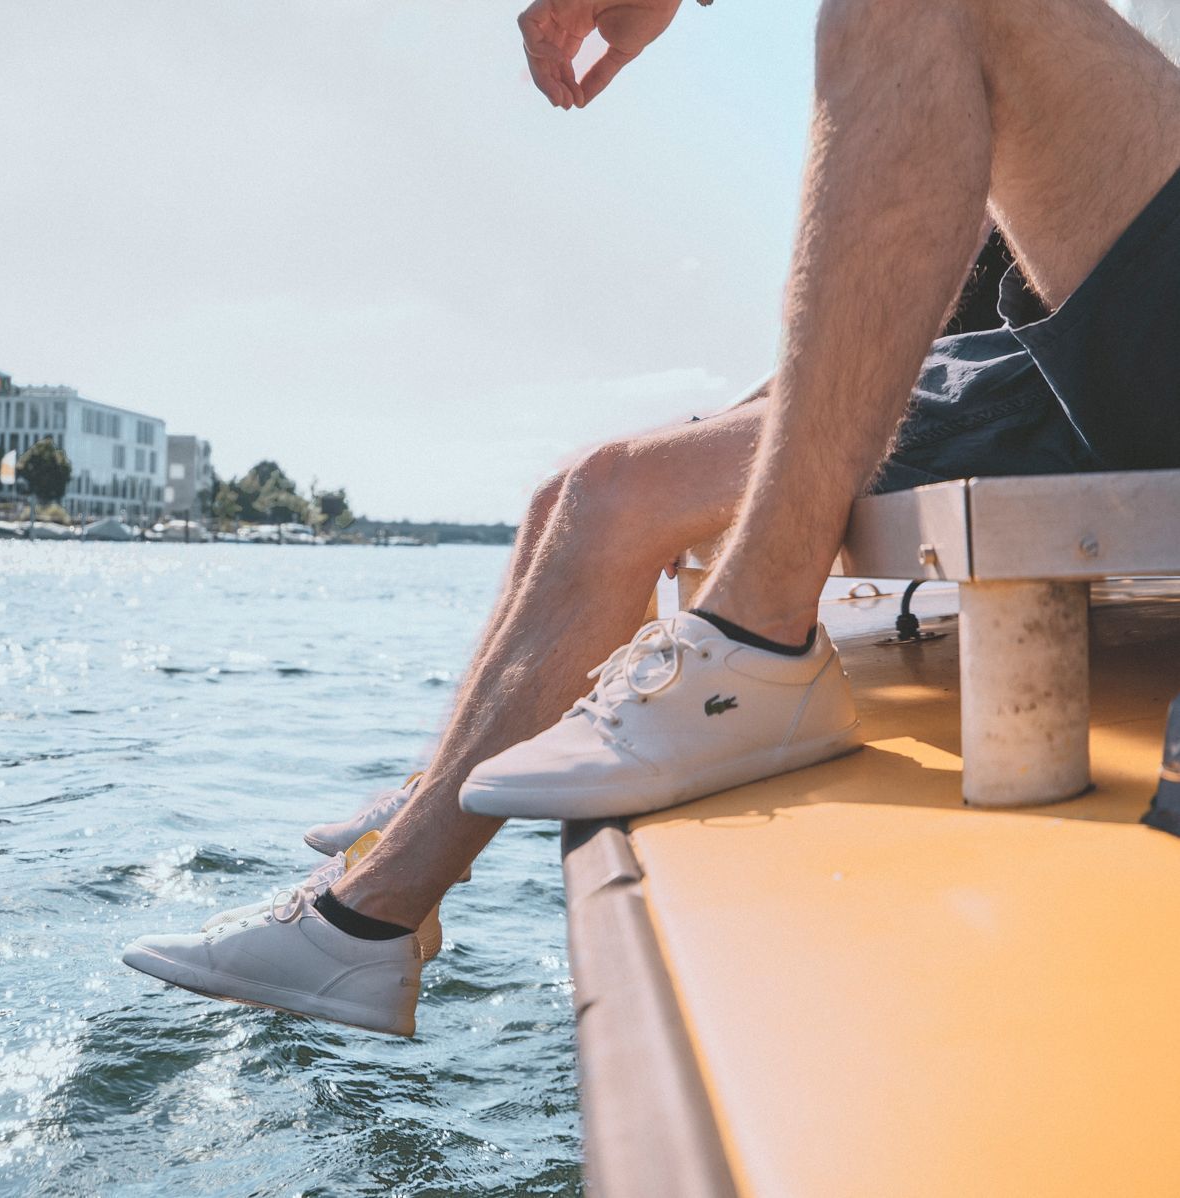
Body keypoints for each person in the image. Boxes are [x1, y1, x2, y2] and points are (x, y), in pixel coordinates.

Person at [124, 0, 1180, 1033]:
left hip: (1093, 343)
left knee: (618, 496)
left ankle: (379, 909)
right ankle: (414, 824)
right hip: (1077, 316)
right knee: (583, 487)